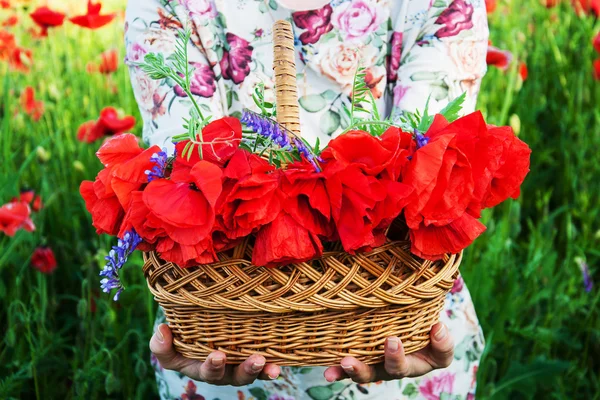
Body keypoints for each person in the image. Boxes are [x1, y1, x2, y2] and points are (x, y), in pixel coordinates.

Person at [125, 0, 488, 398]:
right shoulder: (169, 5)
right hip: (225, 336)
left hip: (399, 334)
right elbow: (183, 179)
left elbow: (428, 179)